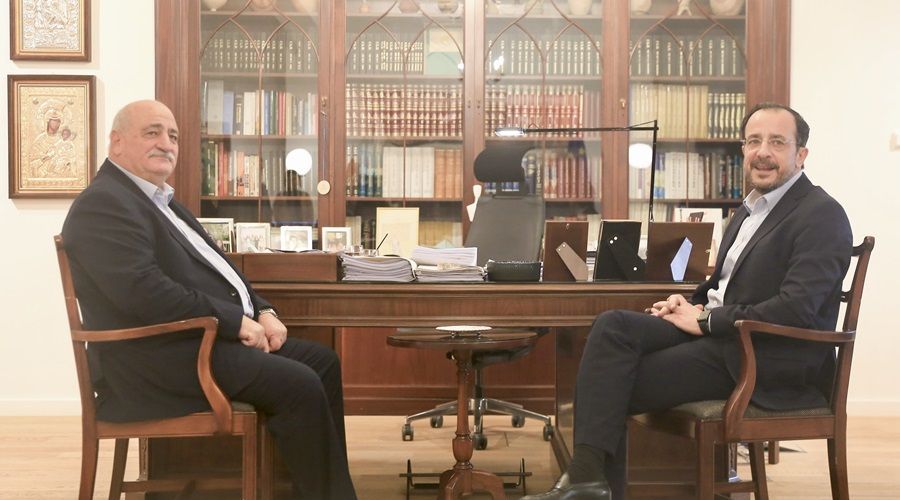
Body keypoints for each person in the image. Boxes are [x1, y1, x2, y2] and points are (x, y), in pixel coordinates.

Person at [523, 102, 853, 499]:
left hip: (764, 357)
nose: (762, 152)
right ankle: (587, 482)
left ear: (801, 155)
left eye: (777, 142)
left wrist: (707, 321)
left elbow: (797, 308)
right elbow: (724, 284)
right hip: (724, 335)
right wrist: (689, 305)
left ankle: (587, 483)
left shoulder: (821, 214)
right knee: (612, 326)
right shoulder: (749, 211)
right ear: (743, 150)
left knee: (611, 378)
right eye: (753, 141)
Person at [61, 100, 357, 500]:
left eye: (173, 136)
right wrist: (234, 322)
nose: (166, 143)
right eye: (152, 133)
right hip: (152, 360)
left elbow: (219, 268)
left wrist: (263, 310)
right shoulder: (104, 204)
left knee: (322, 362)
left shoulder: (158, 200)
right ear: (117, 142)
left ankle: (318, 491)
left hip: (190, 344)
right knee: (299, 383)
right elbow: (143, 292)